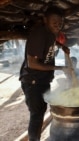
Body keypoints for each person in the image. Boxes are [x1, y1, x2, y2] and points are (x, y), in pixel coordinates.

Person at [19, 6, 71, 141]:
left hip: (43, 80)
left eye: (60, 22)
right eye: (54, 21)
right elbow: (32, 64)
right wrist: (59, 68)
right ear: (45, 20)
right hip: (32, 81)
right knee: (36, 116)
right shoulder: (39, 34)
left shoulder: (50, 33)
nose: (58, 25)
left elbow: (51, 43)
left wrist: (62, 46)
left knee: (41, 112)